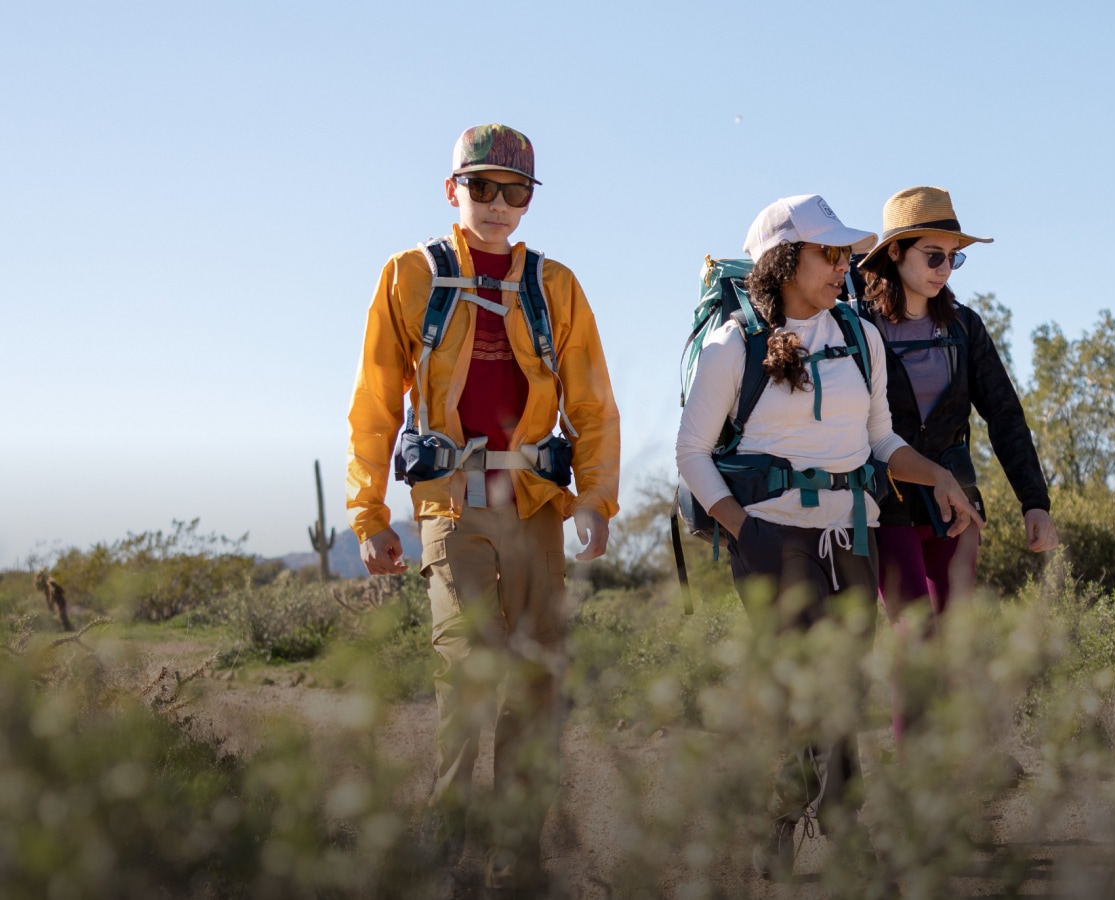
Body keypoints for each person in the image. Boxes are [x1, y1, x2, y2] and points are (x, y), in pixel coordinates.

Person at [675, 193, 984, 881]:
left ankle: (780, 820)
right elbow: (692, 451)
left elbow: (879, 441)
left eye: (846, 253)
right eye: (829, 252)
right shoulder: (736, 342)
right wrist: (742, 528)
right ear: (784, 260)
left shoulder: (859, 335)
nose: (843, 264)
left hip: (852, 536)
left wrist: (938, 475)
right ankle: (837, 829)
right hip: (771, 536)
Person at [346, 124, 621, 892]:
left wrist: (595, 498)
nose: (499, 204)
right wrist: (368, 514)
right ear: (451, 190)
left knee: (536, 678)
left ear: (530, 200)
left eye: (516, 191)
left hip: (534, 504)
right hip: (453, 503)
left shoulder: (556, 285)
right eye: (483, 188)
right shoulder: (410, 275)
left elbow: (593, 406)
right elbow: (374, 402)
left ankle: (516, 849)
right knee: (466, 662)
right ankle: (447, 822)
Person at [855, 186, 1054, 741]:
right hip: (883, 507)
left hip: (956, 506)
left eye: (954, 257)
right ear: (895, 253)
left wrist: (1035, 502)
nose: (946, 269)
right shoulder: (856, 328)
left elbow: (1006, 416)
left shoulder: (965, 328)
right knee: (916, 635)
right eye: (934, 255)